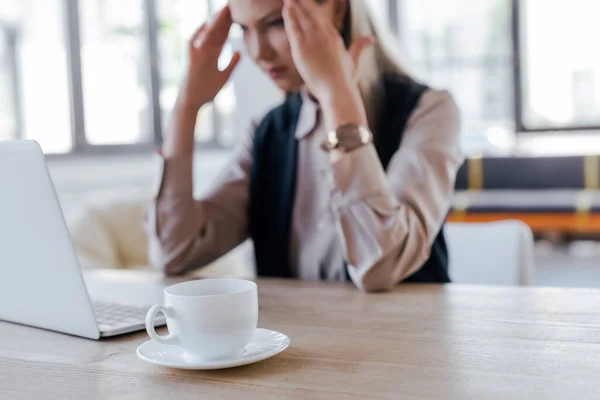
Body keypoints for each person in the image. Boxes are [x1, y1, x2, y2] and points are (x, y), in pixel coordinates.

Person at [145, 0, 463, 292]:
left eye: (274, 23)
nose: (257, 52)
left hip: (407, 346)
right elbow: (175, 254)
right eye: (243, 29)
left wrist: (338, 95)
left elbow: (380, 267)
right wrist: (186, 108)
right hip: (297, 346)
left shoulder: (429, 110)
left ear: (338, 9)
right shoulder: (267, 131)